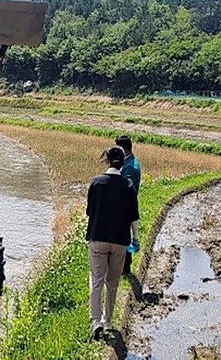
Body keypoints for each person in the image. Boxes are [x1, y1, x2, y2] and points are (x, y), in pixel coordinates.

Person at [86, 145, 139, 339]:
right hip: (119, 241)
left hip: (97, 238)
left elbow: (89, 211)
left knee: (96, 280)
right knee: (112, 283)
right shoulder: (128, 185)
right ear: (123, 162)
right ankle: (107, 321)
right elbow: (134, 217)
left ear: (106, 160)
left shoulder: (97, 183)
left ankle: (94, 321)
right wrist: (136, 239)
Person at [115, 134, 142, 275]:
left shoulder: (130, 167)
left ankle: (125, 269)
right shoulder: (130, 163)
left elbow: (127, 190)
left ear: (122, 149)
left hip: (125, 208)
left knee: (124, 238)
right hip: (125, 207)